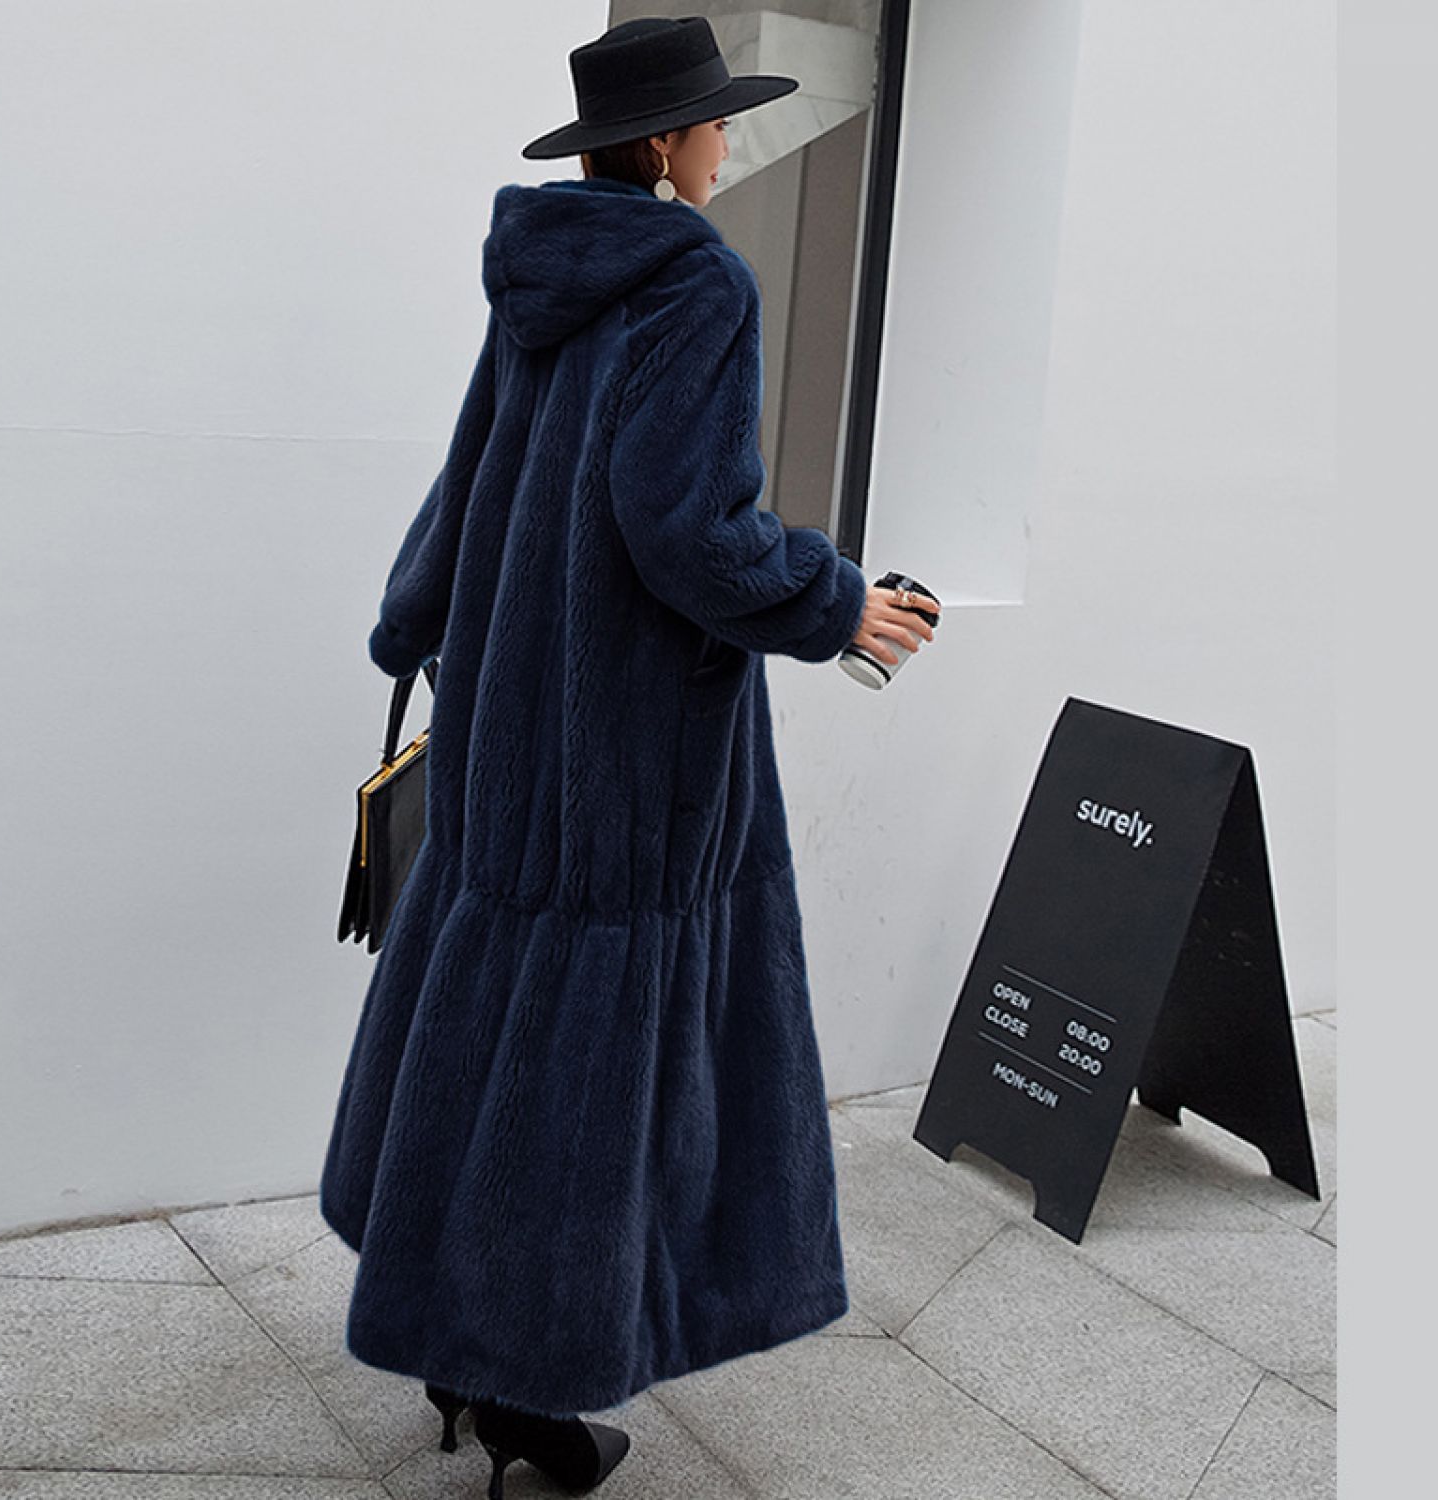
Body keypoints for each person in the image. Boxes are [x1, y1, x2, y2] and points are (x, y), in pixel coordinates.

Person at [318, 15, 939, 1498]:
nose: (725, 144)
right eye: (713, 123)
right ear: (662, 143)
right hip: (628, 747)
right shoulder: (695, 284)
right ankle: (530, 1386)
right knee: (588, 1074)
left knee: (495, 1021)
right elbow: (690, 534)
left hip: (509, 723)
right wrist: (840, 602)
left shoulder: (542, 277)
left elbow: (467, 479)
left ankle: (459, 1341)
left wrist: (412, 626)